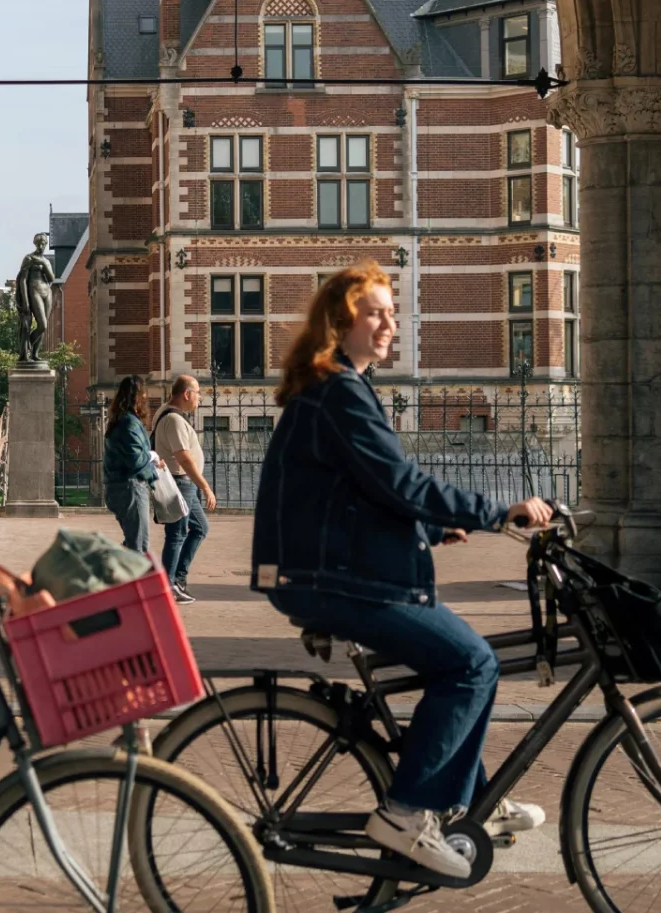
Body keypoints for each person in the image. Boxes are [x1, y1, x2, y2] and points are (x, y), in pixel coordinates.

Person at [253, 260, 554, 880]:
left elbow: (363, 492)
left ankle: (465, 805)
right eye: (377, 312)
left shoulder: (340, 385)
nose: (391, 322)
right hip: (331, 579)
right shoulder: (338, 389)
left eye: (393, 311)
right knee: (471, 663)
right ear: (342, 321)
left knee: (473, 664)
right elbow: (399, 479)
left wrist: (427, 526)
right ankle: (408, 811)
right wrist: (500, 511)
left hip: (328, 570)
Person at [153, 375, 214, 605]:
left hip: (184, 483)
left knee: (200, 528)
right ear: (186, 394)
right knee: (176, 535)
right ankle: (169, 586)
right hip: (180, 482)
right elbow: (184, 458)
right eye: (198, 392)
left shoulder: (168, 414)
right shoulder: (174, 420)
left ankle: (177, 579)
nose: (200, 397)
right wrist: (205, 486)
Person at [102, 375, 157, 554]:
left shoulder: (121, 420)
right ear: (138, 397)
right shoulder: (129, 423)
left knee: (133, 542)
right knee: (138, 546)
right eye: (144, 394)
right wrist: (152, 458)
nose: (147, 398)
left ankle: (113, 573)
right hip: (131, 487)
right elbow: (136, 459)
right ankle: (117, 575)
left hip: (122, 487)